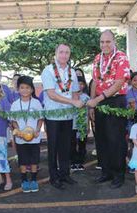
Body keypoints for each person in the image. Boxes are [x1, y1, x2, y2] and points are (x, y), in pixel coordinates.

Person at [86, 29, 130, 189]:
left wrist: (98, 99)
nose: (104, 45)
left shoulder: (121, 57)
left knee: (116, 139)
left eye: (108, 41)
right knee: (101, 139)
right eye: (102, 42)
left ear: (114, 41)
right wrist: (93, 103)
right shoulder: (97, 58)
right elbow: (95, 82)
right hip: (99, 101)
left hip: (116, 101)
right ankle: (106, 172)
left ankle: (119, 174)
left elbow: (119, 83)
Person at [41, 43, 83, 190]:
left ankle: (65, 174)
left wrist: (76, 101)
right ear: (55, 54)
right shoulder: (48, 71)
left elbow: (76, 92)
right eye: (61, 52)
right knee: (53, 147)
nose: (64, 55)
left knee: (66, 147)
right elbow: (51, 94)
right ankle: (54, 177)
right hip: (53, 116)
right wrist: (73, 101)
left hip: (67, 116)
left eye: (67, 52)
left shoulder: (72, 71)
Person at [11, 76, 43, 193]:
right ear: (18, 89)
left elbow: (40, 119)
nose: (25, 90)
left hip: (34, 137)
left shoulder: (36, 103)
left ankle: (34, 180)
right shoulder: (15, 104)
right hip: (21, 139)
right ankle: (24, 180)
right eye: (22, 87)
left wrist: (37, 130)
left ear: (32, 89)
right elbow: (13, 120)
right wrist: (18, 131)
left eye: (27, 88)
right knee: (23, 160)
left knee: (34, 160)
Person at [71, 75, 90, 171]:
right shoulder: (70, 97)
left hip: (82, 124)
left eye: (81, 84)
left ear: (84, 85)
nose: (79, 85)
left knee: (82, 143)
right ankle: (73, 162)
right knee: (72, 143)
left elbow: (88, 112)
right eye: (77, 84)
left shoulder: (86, 97)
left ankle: (80, 162)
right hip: (72, 124)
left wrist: (88, 125)